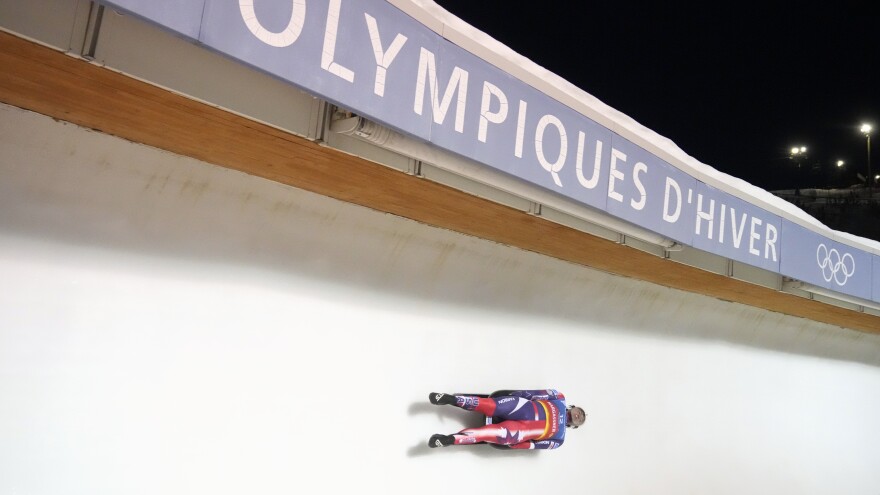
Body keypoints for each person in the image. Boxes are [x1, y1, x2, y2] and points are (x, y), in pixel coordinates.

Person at [427, 389, 586, 449]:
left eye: (581, 419)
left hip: (522, 431)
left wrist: (516, 446)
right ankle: (450, 399)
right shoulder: (559, 397)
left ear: (574, 426)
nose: (579, 416)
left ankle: (449, 439)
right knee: (489, 405)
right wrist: (516, 395)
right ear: (573, 406)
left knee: (487, 433)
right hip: (523, 407)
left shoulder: (559, 440)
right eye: (580, 412)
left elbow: (533, 445)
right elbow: (535, 394)